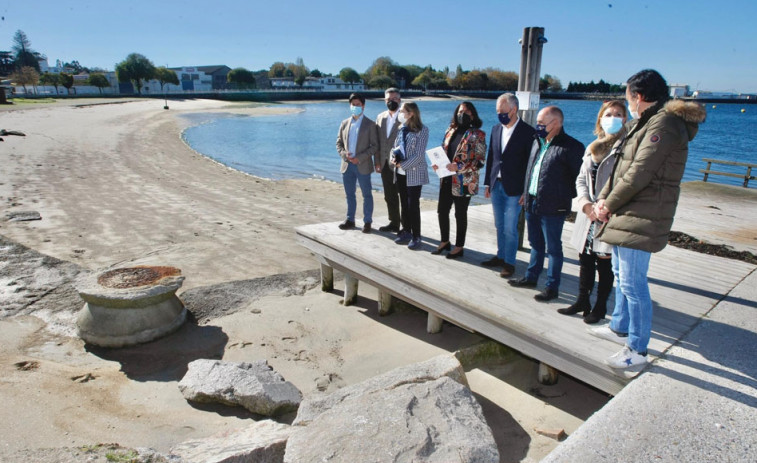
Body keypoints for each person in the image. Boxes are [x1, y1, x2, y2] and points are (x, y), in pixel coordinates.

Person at [590, 69, 706, 369]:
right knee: (620, 272)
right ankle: (620, 327)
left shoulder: (664, 124)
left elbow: (640, 172)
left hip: (643, 212)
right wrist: (604, 198)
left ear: (638, 97)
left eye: (629, 98)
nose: (628, 104)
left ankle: (637, 349)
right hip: (628, 210)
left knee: (632, 283)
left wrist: (607, 203)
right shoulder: (648, 121)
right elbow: (619, 167)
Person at [558, 100, 627, 323]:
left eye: (618, 114)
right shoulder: (593, 146)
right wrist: (585, 204)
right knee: (585, 258)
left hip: (609, 213)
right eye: (609, 114)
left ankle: (600, 306)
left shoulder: (626, 147)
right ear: (600, 119)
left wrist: (605, 206)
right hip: (588, 213)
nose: (613, 118)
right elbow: (581, 178)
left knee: (604, 262)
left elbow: (626, 181)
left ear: (625, 119)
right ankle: (582, 300)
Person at [508, 106, 584, 301]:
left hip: (554, 206)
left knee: (553, 248)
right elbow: (531, 170)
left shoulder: (572, 147)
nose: (538, 126)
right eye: (538, 123)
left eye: (542, 123)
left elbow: (580, 179)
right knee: (535, 243)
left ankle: (552, 286)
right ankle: (531, 277)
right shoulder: (537, 141)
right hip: (532, 201)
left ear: (556, 123)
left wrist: (561, 196)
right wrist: (526, 193)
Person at [482, 93, 536, 276]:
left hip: (515, 188)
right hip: (496, 185)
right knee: (499, 224)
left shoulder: (528, 132)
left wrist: (526, 190)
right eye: (497, 111)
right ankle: (500, 255)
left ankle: (510, 263)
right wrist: (487, 184)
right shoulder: (496, 129)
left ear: (514, 110)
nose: (500, 115)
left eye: (503, 111)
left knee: (510, 227)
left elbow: (531, 164)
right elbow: (492, 158)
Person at [431, 102, 486, 259]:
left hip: (465, 182)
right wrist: (437, 164)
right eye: (461, 111)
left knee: (460, 214)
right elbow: (443, 150)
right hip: (446, 178)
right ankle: (444, 241)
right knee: (442, 211)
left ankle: (459, 246)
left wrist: (459, 167)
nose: (463, 114)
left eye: (467, 111)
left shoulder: (478, 135)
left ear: (473, 115)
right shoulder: (450, 130)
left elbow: (480, 161)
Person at [335, 93, 378, 233]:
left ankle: (367, 222)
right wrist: (344, 155)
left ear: (363, 106)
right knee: (349, 194)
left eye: (358, 105)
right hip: (347, 165)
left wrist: (359, 157)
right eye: (353, 105)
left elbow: (374, 146)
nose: (355, 107)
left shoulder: (370, 124)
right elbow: (339, 143)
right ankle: (350, 220)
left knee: (367, 194)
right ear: (350, 106)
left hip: (363, 165)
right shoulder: (344, 123)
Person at [391, 102, 429, 250]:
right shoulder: (401, 129)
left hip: (414, 173)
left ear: (411, 113)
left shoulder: (422, 130)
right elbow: (395, 148)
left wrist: (403, 165)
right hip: (400, 173)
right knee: (404, 204)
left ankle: (416, 235)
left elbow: (419, 155)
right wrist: (393, 160)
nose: (399, 113)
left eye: (402, 111)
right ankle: (406, 230)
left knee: (413, 205)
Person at [375, 88, 403, 233]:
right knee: (389, 195)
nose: (391, 101)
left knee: (404, 196)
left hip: (402, 164)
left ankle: (406, 225)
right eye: (388, 99)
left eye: (394, 99)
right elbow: (377, 142)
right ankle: (394, 222)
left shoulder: (407, 117)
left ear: (399, 100)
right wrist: (377, 161)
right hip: (385, 163)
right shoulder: (380, 117)